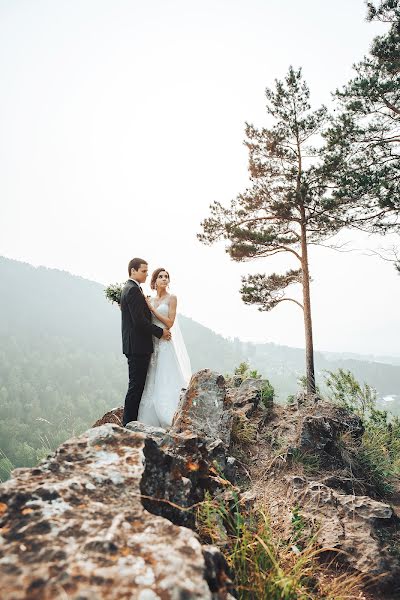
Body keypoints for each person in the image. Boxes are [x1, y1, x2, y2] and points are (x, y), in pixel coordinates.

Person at [137, 267, 192, 428]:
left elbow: (170, 323)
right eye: (160, 276)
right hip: (153, 344)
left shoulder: (171, 298)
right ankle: (149, 418)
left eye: (166, 276)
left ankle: (169, 414)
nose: (164, 279)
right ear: (154, 281)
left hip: (166, 344)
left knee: (166, 376)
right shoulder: (150, 299)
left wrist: (152, 309)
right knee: (152, 378)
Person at [120, 258, 171, 427]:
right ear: (133, 271)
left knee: (136, 385)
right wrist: (160, 332)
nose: (146, 274)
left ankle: (131, 422)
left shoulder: (131, 288)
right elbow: (139, 322)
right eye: (143, 271)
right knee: (136, 387)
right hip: (137, 346)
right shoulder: (133, 290)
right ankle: (128, 424)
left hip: (134, 345)